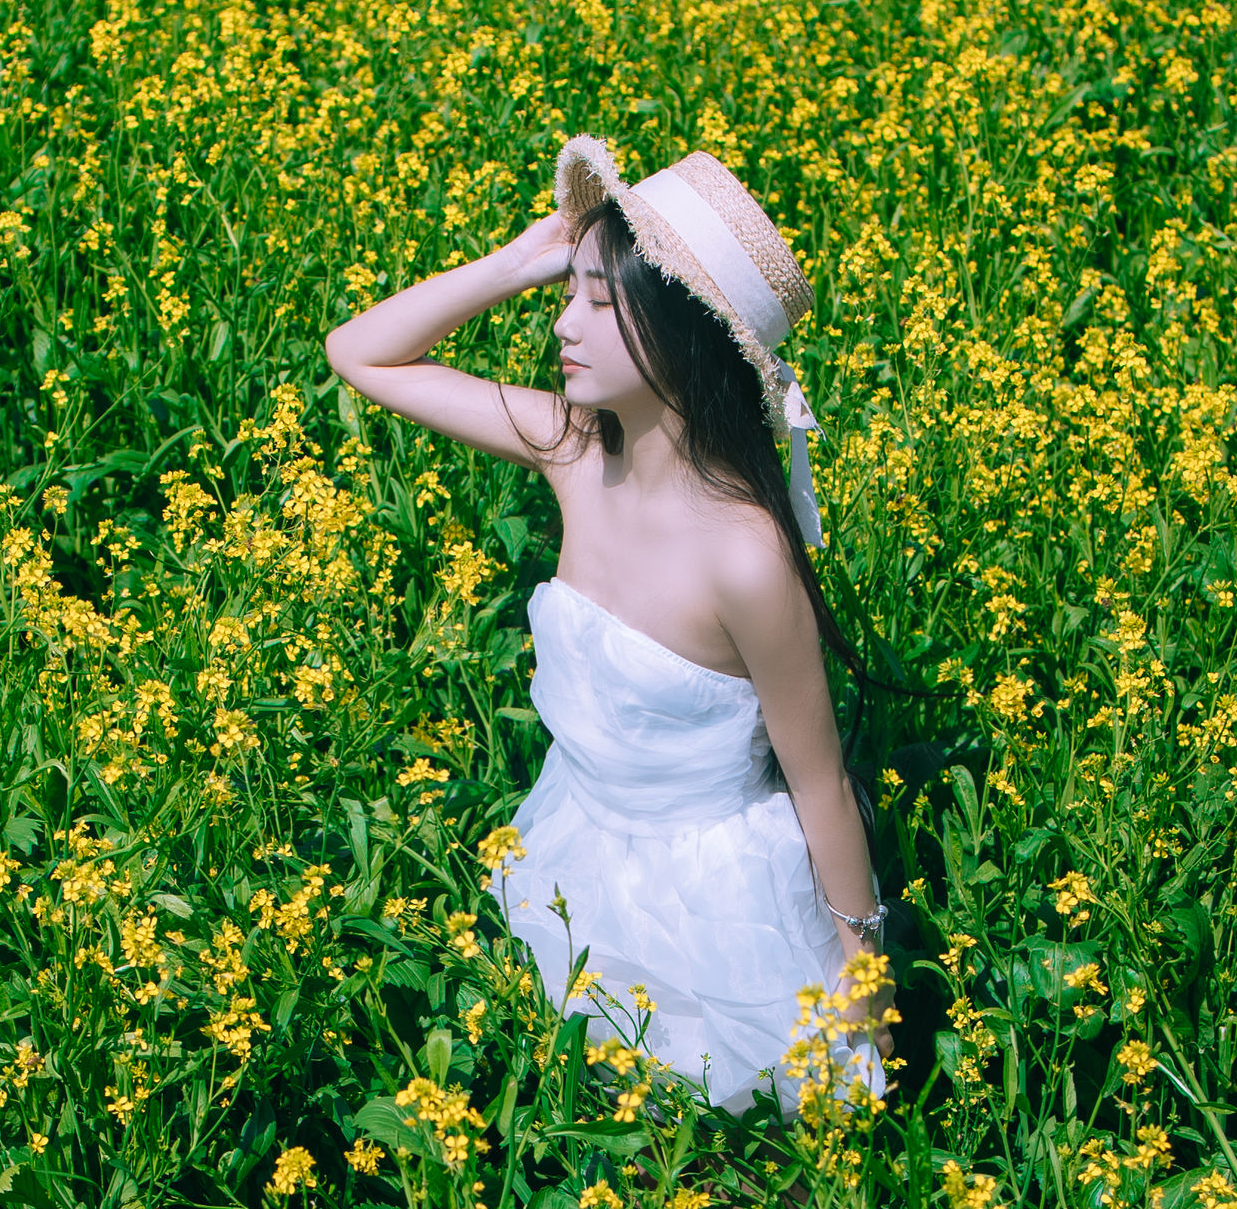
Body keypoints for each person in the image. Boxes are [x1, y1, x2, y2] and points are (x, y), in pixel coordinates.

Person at [324, 136, 893, 1115]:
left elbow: (823, 785)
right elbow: (359, 353)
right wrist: (519, 259)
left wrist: (866, 995)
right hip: (581, 845)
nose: (561, 322)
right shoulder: (573, 448)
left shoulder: (744, 556)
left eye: (598, 298)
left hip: (722, 910)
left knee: (724, 1151)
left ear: (688, 332)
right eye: (565, 292)